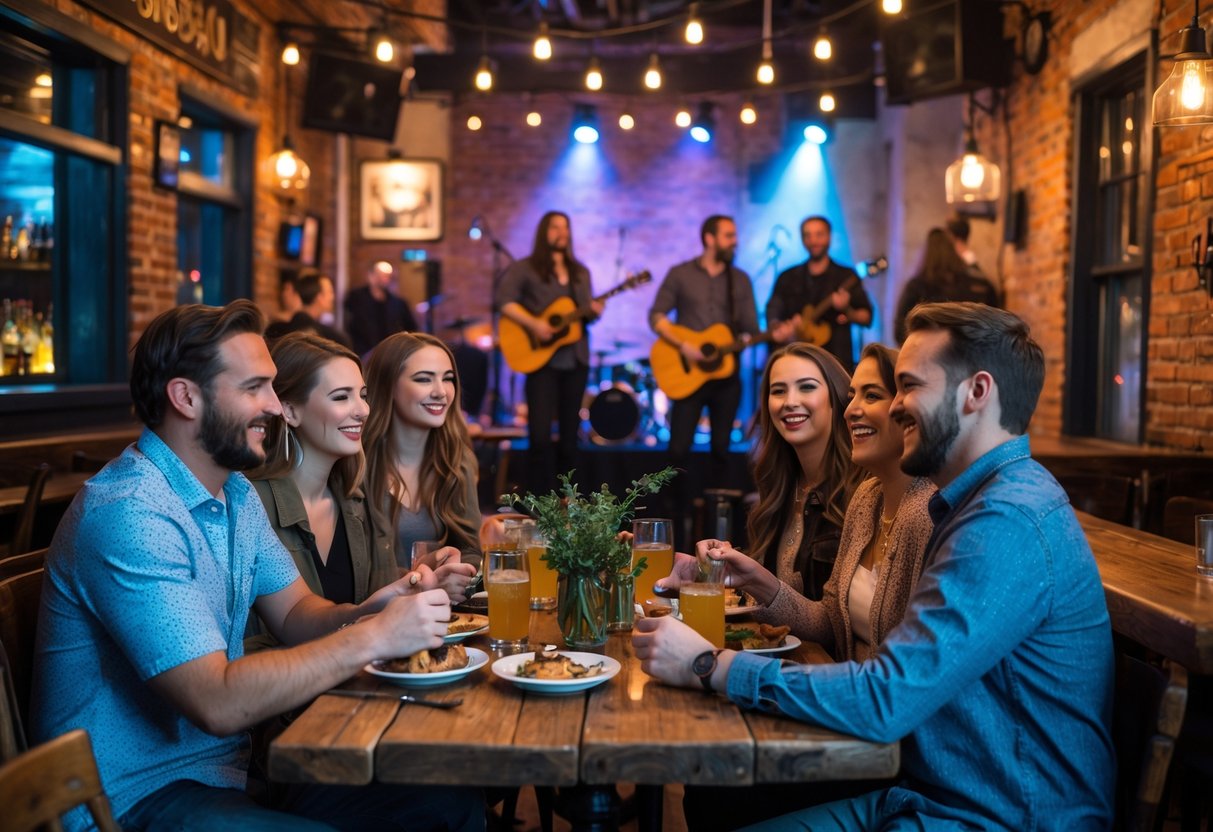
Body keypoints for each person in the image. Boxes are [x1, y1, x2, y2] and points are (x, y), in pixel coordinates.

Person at [634, 301, 1115, 830]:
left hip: (995, 815)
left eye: (908, 386)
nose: (896, 406)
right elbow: (851, 640)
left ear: (977, 393)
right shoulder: (972, 501)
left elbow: (887, 695)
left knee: (720, 798)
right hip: (930, 793)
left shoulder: (1005, 522)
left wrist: (709, 666)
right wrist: (762, 592)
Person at [31, 300, 483, 831]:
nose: (274, 405)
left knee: (448, 796)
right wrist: (374, 636)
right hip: (128, 800)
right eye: (255, 388)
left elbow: (297, 613)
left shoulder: (234, 495)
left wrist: (375, 606)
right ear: (186, 398)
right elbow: (216, 701)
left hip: (224, 778)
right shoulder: (131, 514)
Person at [669, 342, 935, 830]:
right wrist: (757, 581)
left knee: (716, 786)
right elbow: (828, 618)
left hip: (886, 741)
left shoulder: (925, 511)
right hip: (850, 712)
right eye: (777, 390)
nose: (854, 408)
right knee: (708, 778)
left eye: (870, 395)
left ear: (908, 412)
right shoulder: (868, 500)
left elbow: (897, 684)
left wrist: (715, 666)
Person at [247, 331, 476, 650]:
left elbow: (376, 598)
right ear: (289, 411)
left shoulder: (354, 500)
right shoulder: (250, 503)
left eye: (362, 395)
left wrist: (423, 576)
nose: (362, 410)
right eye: (341, 397)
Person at [649, 215, 758, 537]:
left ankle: (717, 525)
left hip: (726, 377)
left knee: (722, 450)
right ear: (709, 238)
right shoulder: (680, 274)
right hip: (688, 376)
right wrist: (685, 346)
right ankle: (675, 517)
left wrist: (753, 337)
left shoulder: (740, 280)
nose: (734, 241)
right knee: (678, 448)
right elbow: (656, 316)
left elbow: (751, 328)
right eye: (728, 235)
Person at [494, 211, 602, 495]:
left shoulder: (580, 272)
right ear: (544, 232)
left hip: (575, 360)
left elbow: (582, 318)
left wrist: (594, 312)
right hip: (541, 361)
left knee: (570, 439)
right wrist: (535, 324)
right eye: (556, 227)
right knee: (540, 436)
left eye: (566, 227)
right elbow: (504, 301)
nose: (562, 232)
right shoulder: (525, 268)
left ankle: (570, 503)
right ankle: (539, 502)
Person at [363, 331, 482, 575]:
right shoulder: (357, 463)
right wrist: (419, 577)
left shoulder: (457, 460)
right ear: (388, 386)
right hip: (377, 611)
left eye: (447, 379)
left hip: (444, 609)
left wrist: (460, 568)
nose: (441, 391)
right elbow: (354, 569)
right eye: (424, 379)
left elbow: (470, 547)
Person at [766, 215, 873, 373]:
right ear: (802, 239)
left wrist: (847, 310)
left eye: (819, 234)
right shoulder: (787, 277)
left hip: (835, 362)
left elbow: (866, 317)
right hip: (796, 361)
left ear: (829, 237)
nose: (813, 240)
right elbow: (773, 308)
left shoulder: (846, 276)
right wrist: (779, 327)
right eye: (807, 235)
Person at [894, 227, 1001, 343]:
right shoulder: (980, 284)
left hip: (929, 354)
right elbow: (997, 325)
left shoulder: (917, 286)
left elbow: (900, 330)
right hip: (974, 354)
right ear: (952, 250)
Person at [344, 260, 420, 358]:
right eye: (380, 275)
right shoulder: (356, 297)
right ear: (371, 275)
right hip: (362, 351)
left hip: (390, 352)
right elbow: (350, 322)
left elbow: (411, 326)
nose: (384, 279)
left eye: (387, 276)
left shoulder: (397, 302)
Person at [265, 271, 352, 348]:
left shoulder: (273, 330)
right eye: (330, 292)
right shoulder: (335, 339)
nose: (333, 297)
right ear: (319, 297)